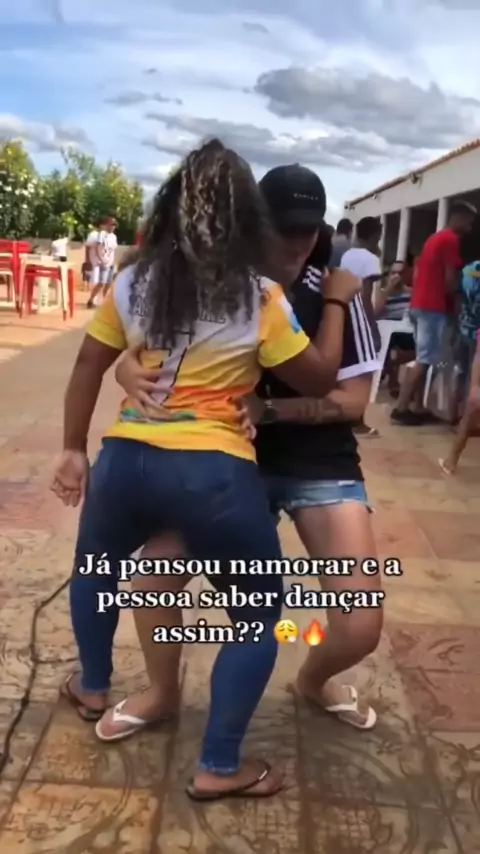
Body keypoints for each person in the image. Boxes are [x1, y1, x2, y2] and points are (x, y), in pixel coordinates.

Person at [51, 141, 361, 801]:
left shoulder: (134, 282)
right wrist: (335, 304)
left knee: (95, 570)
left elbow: (87, 366)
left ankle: (93, 685)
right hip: (213, 473)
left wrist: (73, 448)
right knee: (256, 612)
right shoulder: (259, 295)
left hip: (126, 461)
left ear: (171, 208)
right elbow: (318, 377)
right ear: (250, 219)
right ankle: (219, 764)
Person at [391, 201, 476, 425]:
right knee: (424, 360)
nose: (470, 227)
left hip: (419, 305)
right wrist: (458, 305)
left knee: (424, 358)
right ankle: (400, 408)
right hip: (432, 307)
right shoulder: (450, 240)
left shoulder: (434, 238)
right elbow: (449, 281)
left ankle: (418, 406)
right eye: (468, 222)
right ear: (458, 218)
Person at [340, 216, 383, 436]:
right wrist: (372, 326)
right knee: (365, 369)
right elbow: (366, 295)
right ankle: (359, 421)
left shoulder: (348, 255)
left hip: (343, 311)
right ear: (375, 235)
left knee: (347, 368)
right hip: (359, 315)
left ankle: (347, 416)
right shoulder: (370, 259)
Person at [440, 259, 480, 473]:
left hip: (466, 328)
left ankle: (452, 415)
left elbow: (457, 298)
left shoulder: (469, 270)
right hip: (473, 333)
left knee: (463, 375)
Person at [374, 260, 414, 397]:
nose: (397, 276)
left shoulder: (412, 293)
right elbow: (375, 312)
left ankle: (390, 367)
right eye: (393, 272)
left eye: (400, 273)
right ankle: (392, 381)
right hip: (387, 330)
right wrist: (388, 290)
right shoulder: (383, 293)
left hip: (406, 329)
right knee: (384, 340)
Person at [85, 216, 118, 309]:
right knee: (101, 283)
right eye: (111, 224)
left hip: (110, 262)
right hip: (103, 263)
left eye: (114, 225)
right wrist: (100, 259)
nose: (113, 226)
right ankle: (91, 299)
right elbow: (98, 247)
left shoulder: (113, 237)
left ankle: (105, 303)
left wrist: (112, 262)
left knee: (109, 284)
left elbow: (112, 250)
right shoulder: (101, 234)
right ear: (106, 225)